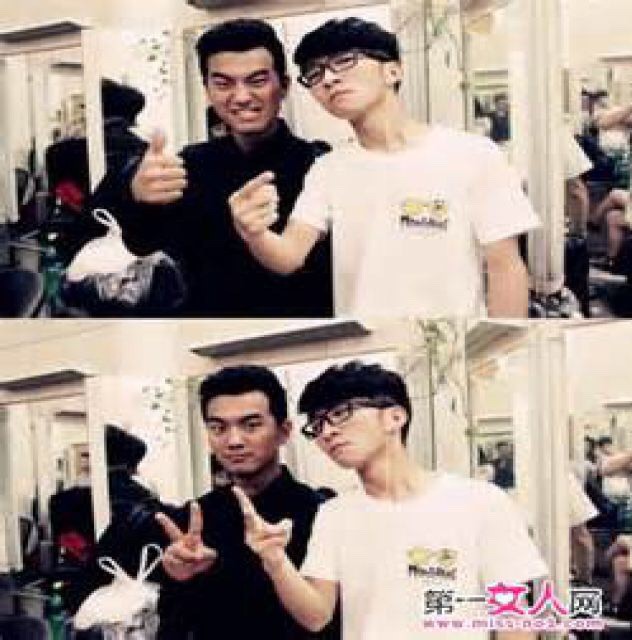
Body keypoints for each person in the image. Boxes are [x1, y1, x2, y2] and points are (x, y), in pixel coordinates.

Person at [230, 17, 539, 318]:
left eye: (344, 61)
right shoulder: (328, 169)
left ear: (392, 71)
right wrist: (254, 233)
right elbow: (288, 256)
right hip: (361, 326)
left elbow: (505, 267)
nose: (328, 79)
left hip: (451, 330)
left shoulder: (473, 154)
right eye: (314, 72)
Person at [233, 361, 548, 639]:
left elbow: (514, 617)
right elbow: (316, 617)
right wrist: (275, 560)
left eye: (340, 414)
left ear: (395, 417)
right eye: (317, 425)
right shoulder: (333, 514)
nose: (326, 432)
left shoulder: (481, 502)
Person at [91, 19, 332, 318]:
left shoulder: (319, 165)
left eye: (257, 81)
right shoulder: (190, 166)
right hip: (205, 321)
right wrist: (136, 195)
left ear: (283, 86)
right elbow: (140, 242)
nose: (241, 97)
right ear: (207, 90)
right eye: (223, 83)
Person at [152, 365, 338, 639]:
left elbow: (335, 621)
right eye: (218, 428)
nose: (234, 441)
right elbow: (174, 625)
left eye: (251, 425)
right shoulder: (194, 519)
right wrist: (178, 578)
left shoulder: (322, 514)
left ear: (284, 431)